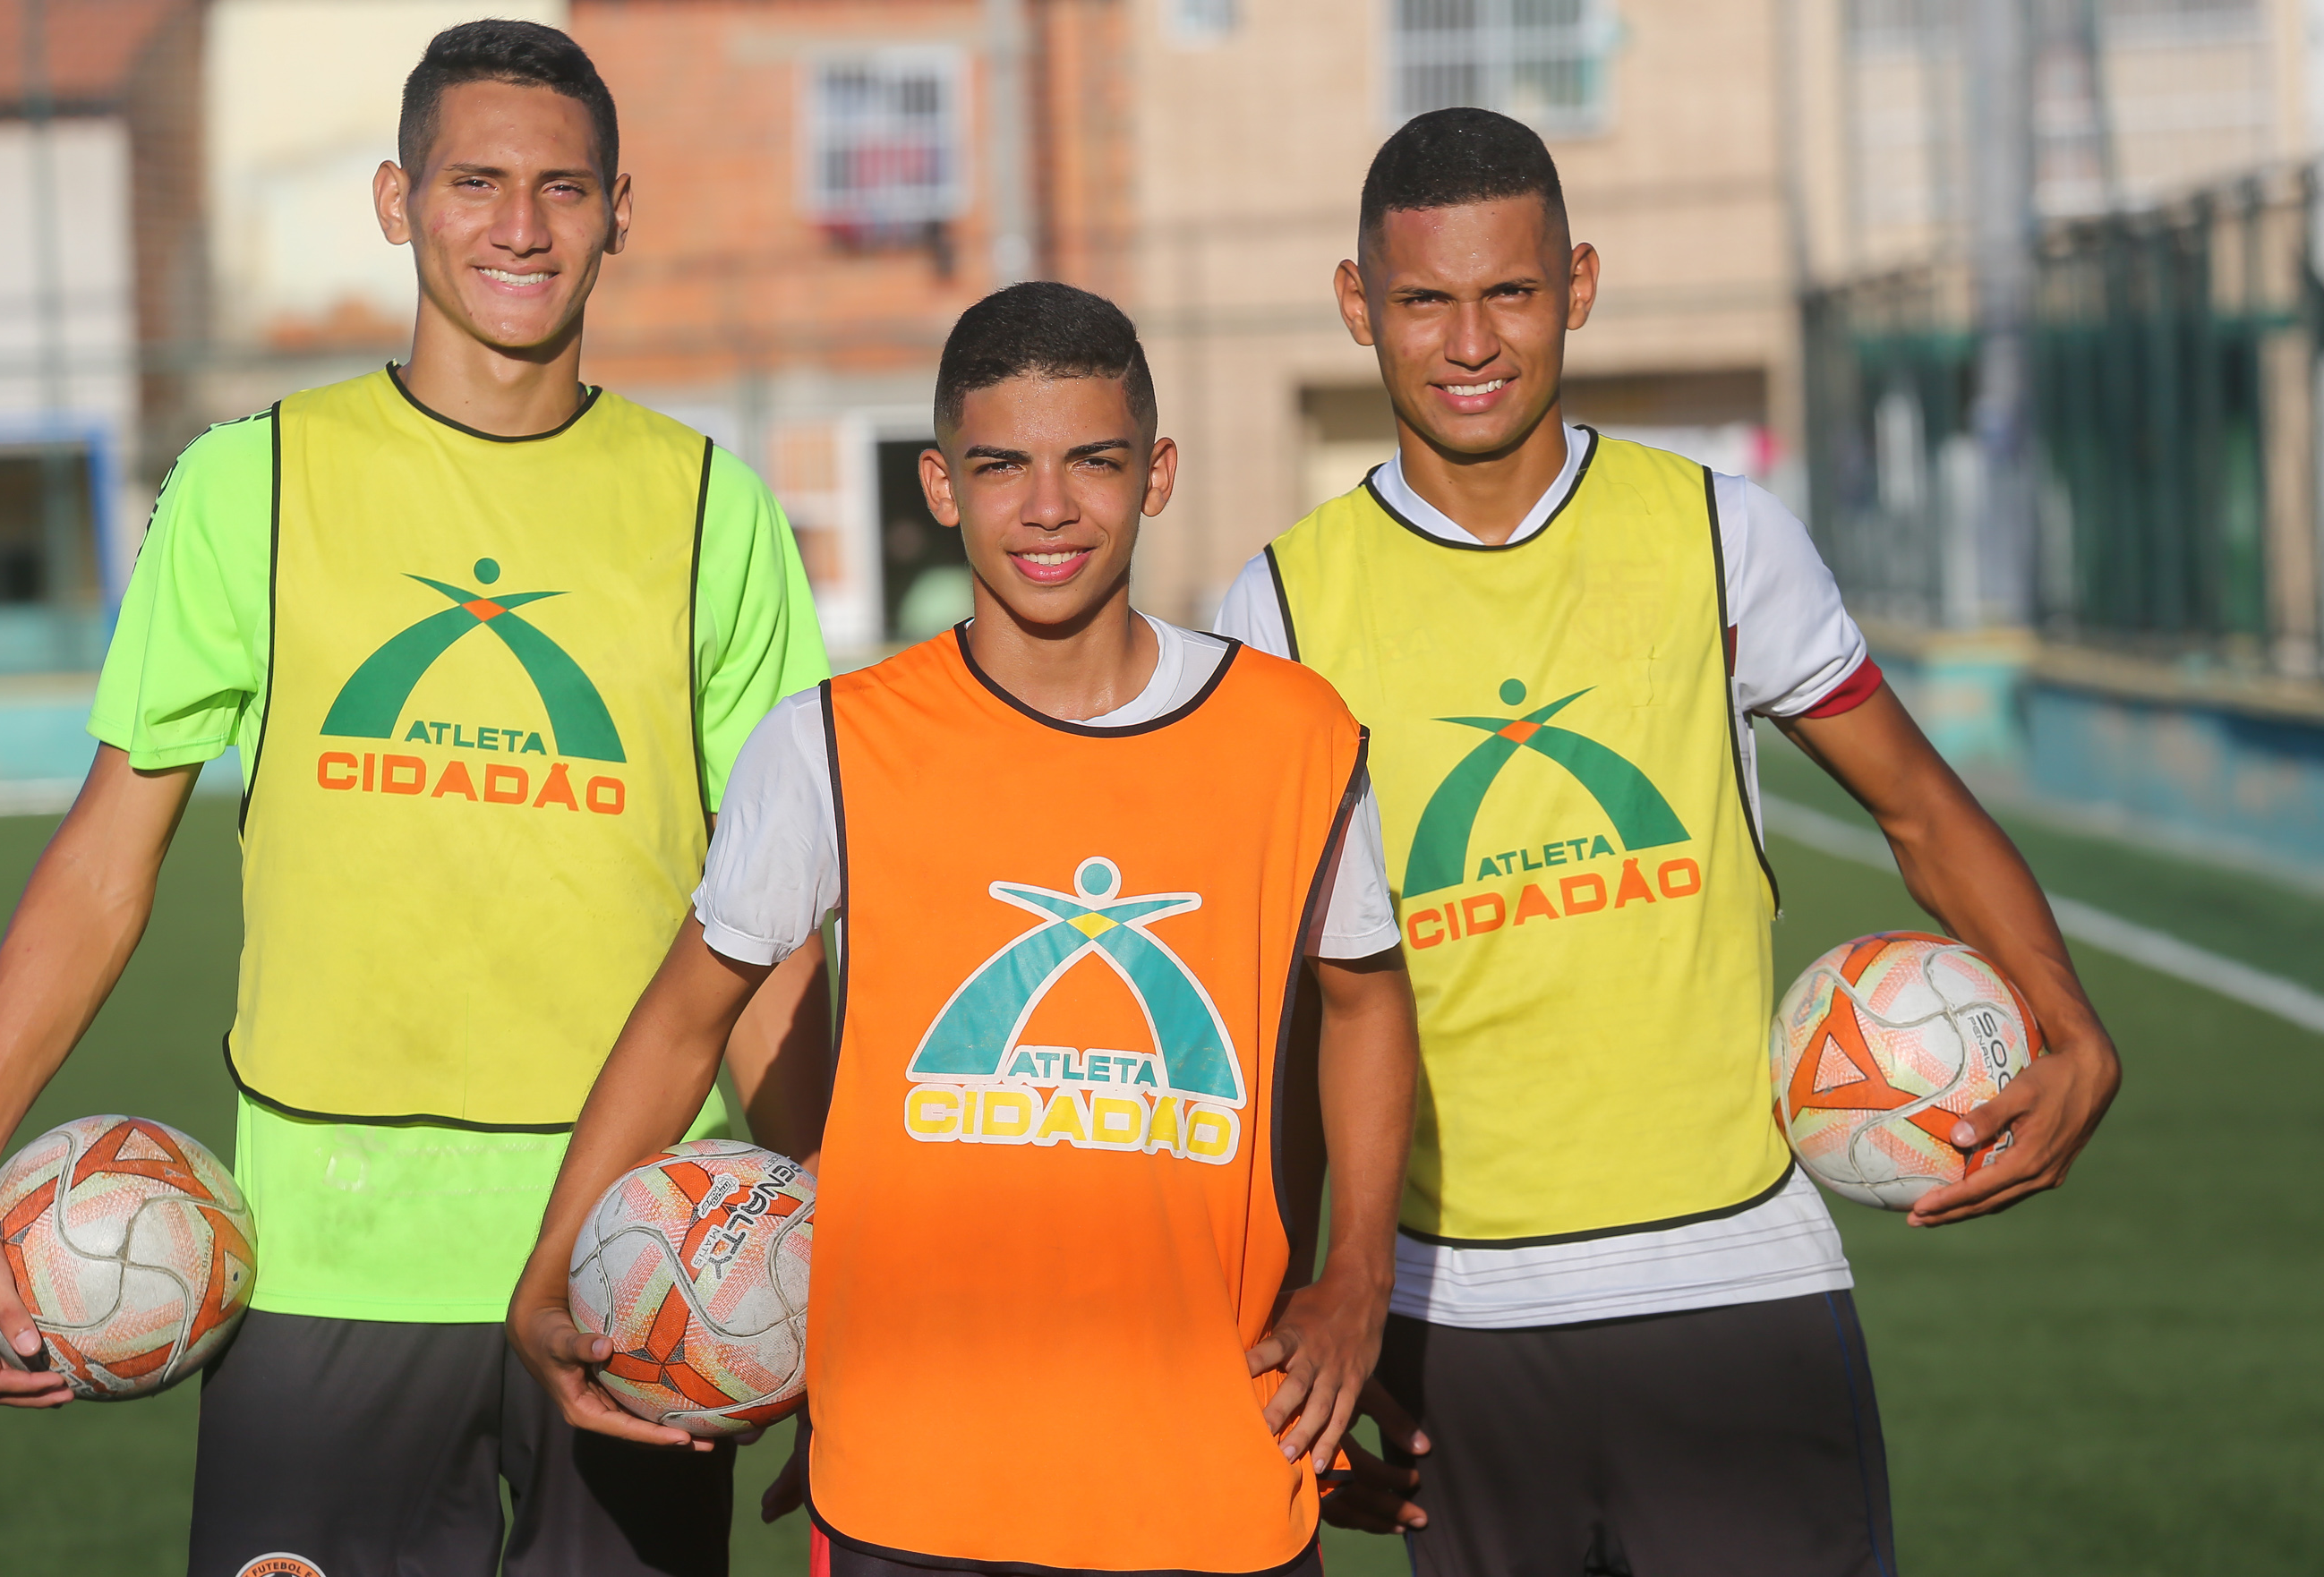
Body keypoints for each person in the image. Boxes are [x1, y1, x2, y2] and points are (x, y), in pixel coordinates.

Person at [0, 21, 829, 1577]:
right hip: (321, 1267)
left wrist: (823, 1260)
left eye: (564, 188)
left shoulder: (711, 512)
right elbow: (104, 863)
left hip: (635, 1267)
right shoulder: (249, 482)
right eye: (475, 182)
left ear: (622, 212)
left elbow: (767, 932)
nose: (520, 226)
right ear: (399, 201)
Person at [1216, 108, 2123, 1576]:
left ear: (1576, 283)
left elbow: (1916, 803)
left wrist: (2069, 1015)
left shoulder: (1721, 534)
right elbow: (1286, 1012)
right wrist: (1309, 1302)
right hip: (1458, 1320)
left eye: (1509, 292)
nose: (1469, 342)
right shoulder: (1277, 613)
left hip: (1740, 1284)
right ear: (1354, 305)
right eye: (1423, 300)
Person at [508, 283, 1423, 1577]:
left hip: (1212, 1477)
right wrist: (546, 1274)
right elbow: (685, 1016)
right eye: (1002, 466)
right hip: (906, 1484)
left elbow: (1368, 1000)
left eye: (1091, 462)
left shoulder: (1297, 736)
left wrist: (1356, 1279)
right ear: (941, 484)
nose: (1047, 507)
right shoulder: (831, 741)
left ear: (1155, 472)